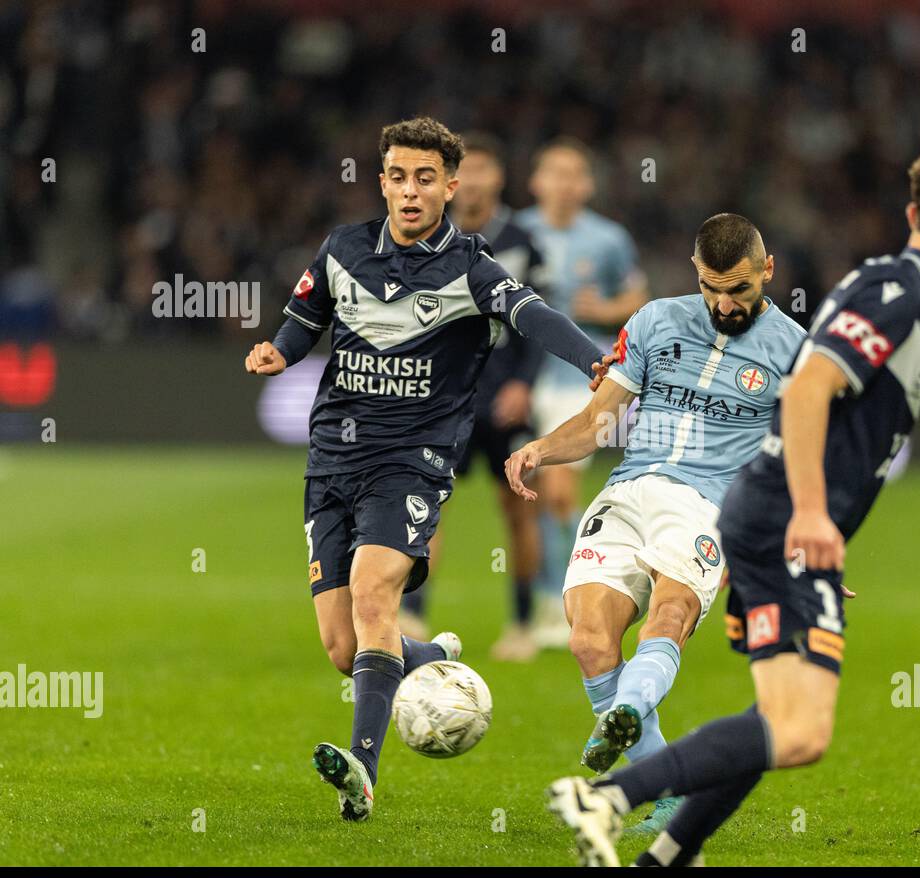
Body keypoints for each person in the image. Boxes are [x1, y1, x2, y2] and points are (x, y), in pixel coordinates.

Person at [545, 147, 920, 865]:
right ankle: (610, 796)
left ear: (915, 213)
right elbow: (810, 389)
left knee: (780, 722)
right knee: (798, 730)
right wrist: (813, 520)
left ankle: (661, 854)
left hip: (759, 517)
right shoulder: (897, 292)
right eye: (710, 287)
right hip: (764, 516)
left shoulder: (901, 296)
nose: (722, 303)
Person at [243, 117, 611, 822]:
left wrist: (591, 358)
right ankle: (427, 653)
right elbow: (304, 315)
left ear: (450, 184)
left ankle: (363, 774)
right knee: (342, 645)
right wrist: (281, 352)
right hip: (332, 459)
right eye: (398, 177)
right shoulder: (343, 248)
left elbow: (534, 317)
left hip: (411, 460)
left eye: (425, 178)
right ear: (382, 182)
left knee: (375, 599)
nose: (410, 192)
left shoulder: (472, 266)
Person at [506, 214, 805, 835]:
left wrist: (810, 540)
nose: (724, 304)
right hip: (630, 490)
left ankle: (625, 725)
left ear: (767, 270)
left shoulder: (795, 352)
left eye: (739, 290)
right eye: (711, 288)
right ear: (696, 274)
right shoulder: (651, 322)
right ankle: (663, 780)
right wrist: (541, 448)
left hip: (712, 505)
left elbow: (803, 460)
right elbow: (595, 422)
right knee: (590, 640)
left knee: (668, 616)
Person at [396, 131, 548, 663]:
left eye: (486, 168)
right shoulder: (428, 237)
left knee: (519, 509)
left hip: (504, 399)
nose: (476, 180)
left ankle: (524, 622)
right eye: (468, 171)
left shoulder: (524, 241)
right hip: (443, 398)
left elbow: (539, 320)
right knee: (425, 508)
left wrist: (524, 385)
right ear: (454, 182)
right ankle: (413, 613)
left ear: (498, 178)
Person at [515, 139, 648, 649]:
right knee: (524, 502)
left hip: (581, 379)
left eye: (575, 174)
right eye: (556, 173)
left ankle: (560, 600)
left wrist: (610, 306)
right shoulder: (518, 232)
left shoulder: (609, 238)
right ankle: (533, 608)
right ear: (537, 181)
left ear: (588, 184)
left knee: (560, 494)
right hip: (523, 378)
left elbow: (638, 299)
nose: (566, 184)